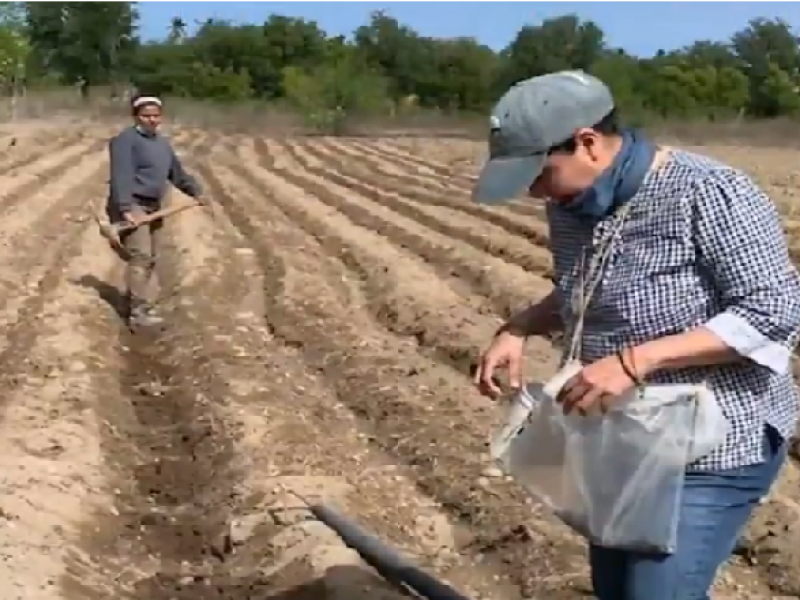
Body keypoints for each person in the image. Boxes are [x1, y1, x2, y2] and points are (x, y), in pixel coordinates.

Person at [471, 70, 800, 600]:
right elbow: (583, 289)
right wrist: (520, 325)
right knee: (620, 589)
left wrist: (634, 361)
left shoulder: (710, 192)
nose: (535, 192)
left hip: (716, 442)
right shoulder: (572, 208)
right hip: (626, 437)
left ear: (587, 143)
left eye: (540, 173)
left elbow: (774, 310)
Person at [106, 94, 205, 329]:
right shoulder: (125, 141)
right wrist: (126, 208)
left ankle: (139, 302)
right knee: (141, 256)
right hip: (133, 205)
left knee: (151, 259)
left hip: (154, 206)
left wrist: (196, 191)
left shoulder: (161, 143)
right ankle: (137, 313)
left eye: (155, 116)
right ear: (136, 116)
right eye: (146, 116)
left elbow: (176, 173)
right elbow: (121, 174)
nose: (151, 120)